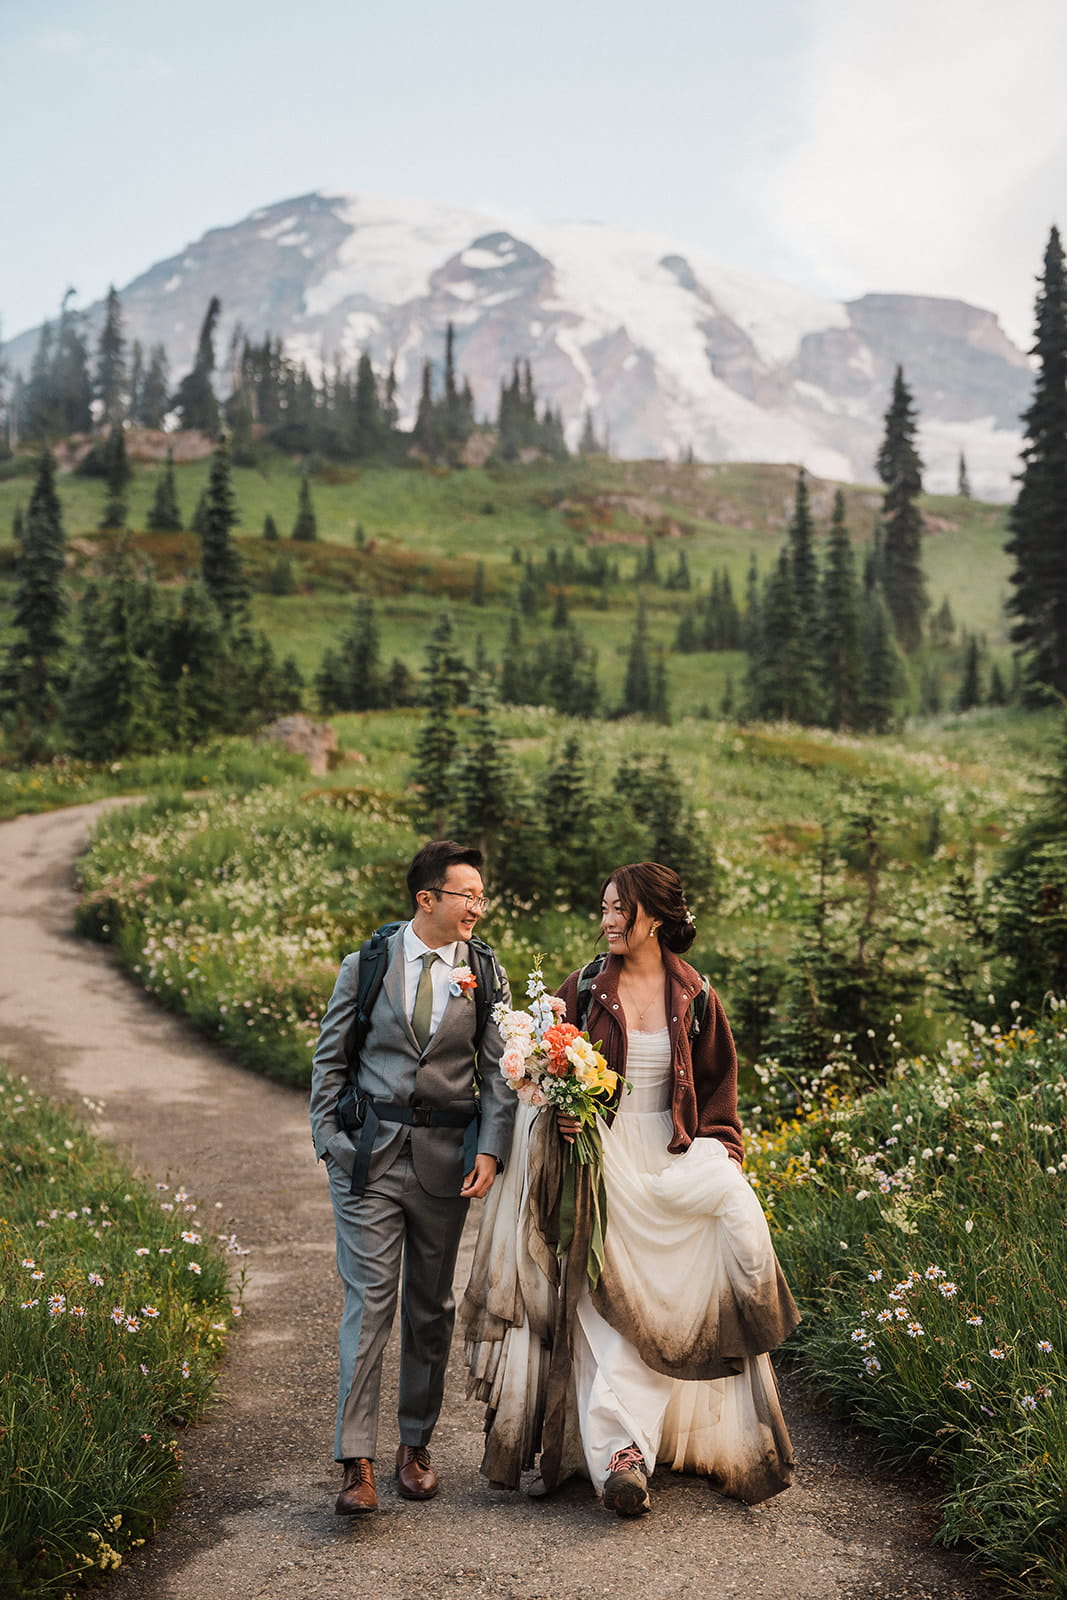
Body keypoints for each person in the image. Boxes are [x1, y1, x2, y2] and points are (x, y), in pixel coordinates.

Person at [463, 860, 799, 1518]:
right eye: (604, 907)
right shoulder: (585, 988)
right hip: (600, 1165)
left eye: (619, 909)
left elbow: (716, 1094)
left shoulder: (696, 994)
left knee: (668, 1305)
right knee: (607, 1307)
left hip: (668, 1160)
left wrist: (720, 1155)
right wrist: (557, 1112)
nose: (607, 920)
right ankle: (622, 1457)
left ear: (656, 917)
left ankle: (648, 1443)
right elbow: (542, 1076)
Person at [310, 839, 514, 1515]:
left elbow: (495, 1073)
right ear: (426, 898)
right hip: (367, 1157)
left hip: (445, 1163)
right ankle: (355, 1461)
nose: (477, 909)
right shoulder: (365, 964)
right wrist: (332, 1144)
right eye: (467, 896)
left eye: (481, 896)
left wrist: (489, 1149)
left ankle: (415, 1445)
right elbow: (330, 1062)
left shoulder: (485, 971)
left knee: (431, 1308)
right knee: (369, 1303)